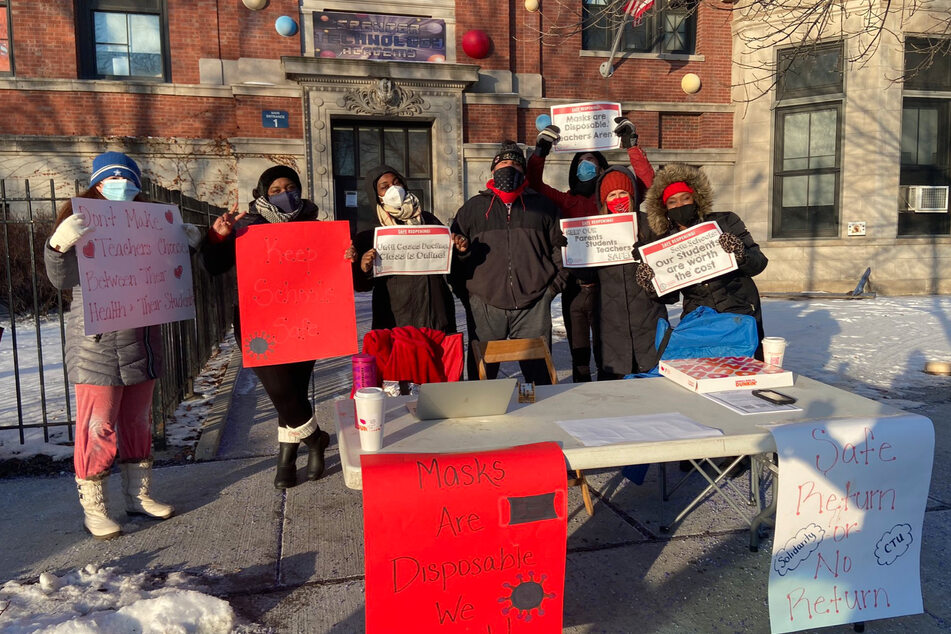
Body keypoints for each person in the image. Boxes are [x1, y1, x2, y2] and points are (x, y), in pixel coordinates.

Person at [45, 151, 188, 539]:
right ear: (96, 184)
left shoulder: (147, 223)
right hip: (97, 345)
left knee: (137, 422)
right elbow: (62, 279)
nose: (120, 185)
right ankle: (95, 508)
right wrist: (57, 247)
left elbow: (164, 271)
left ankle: (137, 496)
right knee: (98, 425)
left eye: (127, 179)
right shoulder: (80, 222)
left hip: (141, 340)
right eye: (111, 179)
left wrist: (182, 244)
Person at [202, 165, 351, 489]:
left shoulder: (314, 225)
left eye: (290, 187)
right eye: (275, 190)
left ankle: (286, 459)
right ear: (262, 193)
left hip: (305, 317)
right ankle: (315, 438)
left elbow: (331, 270)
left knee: (294, 391)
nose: (284, 193)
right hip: (259, 321)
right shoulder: (246, 227)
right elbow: (213, 265)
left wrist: (345, 255)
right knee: (279, 389)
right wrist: (218, 237)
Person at [527, 117, 655, 381]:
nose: (587, 166)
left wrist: (631, 146)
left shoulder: (613, 199)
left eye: (593, 162)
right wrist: (540, 152)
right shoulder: (566, 201)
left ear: (601, 169)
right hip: (574, 289)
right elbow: (535, 186)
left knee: (606, 353)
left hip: (608, 288)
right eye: (582, 162)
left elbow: (646, 183)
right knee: (579, 355)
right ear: (574, 170)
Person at [450, 141, 568, 384]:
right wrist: (468, 296)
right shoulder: (473, 208)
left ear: (524, 171)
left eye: (515, 164)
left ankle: (541, 419)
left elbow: (561, 249)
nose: (509, 167)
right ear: (493, 169)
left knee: (540, 380)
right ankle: (482, 422)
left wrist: (552, 289)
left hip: (533, 306)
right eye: (503, 163)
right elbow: (452, 254)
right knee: (482, 382)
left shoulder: (543, 207)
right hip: (485, 306)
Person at [640, 162, 769, 358]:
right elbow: (670, 297)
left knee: (746, 370)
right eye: (672, 202)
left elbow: (759, 263)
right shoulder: (664, 243)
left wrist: (739, 253)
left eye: (685, 198)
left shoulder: (725, 221)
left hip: (740, 310)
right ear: (664, 208)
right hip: (699, 317)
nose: (680, 205)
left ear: (697, 198)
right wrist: (651, 284)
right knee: (705, 370)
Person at [354, 165, 456, 335]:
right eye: (384, 186)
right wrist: (364, 268)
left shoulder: (429, 220)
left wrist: (457, 248)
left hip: (434, 313)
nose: (393, 189)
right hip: (394, 317)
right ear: (376, 194)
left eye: (396, 182)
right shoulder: (369, 232)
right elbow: (361, 285)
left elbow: (449, 263)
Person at [593, 166, 672, 378]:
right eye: (612, 195)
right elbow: (588, 277)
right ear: (604, 200)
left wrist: (647, 257)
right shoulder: (595, 229)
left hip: (649, 318)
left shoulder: (651, 225)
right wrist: (571, 254)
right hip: (611, 324)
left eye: (623, 193)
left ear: (632, 195)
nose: (618, 199)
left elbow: (667, 271)